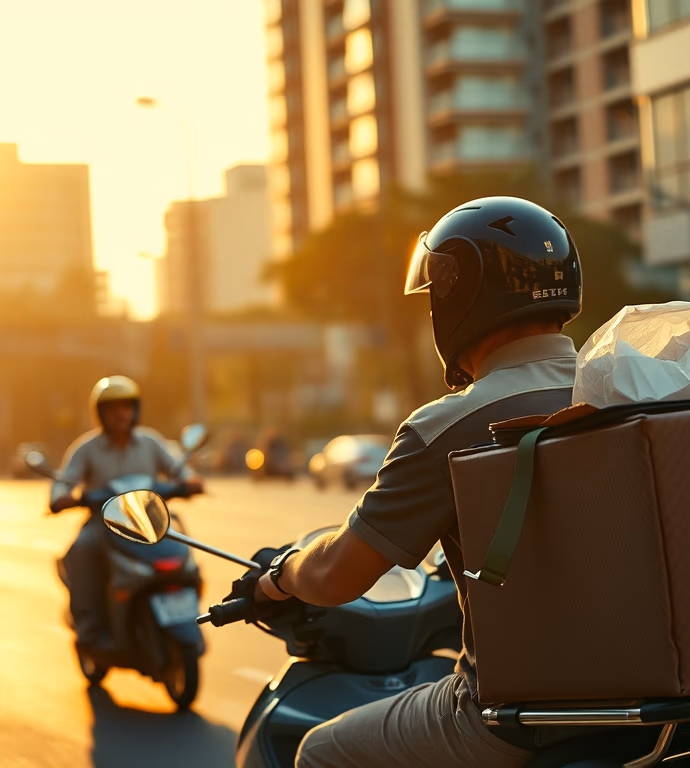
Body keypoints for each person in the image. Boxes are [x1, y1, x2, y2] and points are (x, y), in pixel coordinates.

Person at [229, 196, 582, 767]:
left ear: (458, 299)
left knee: (320, 752)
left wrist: (279, 577)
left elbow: (337, 574)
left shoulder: (447, 426)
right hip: (664, 707)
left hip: (513, 719)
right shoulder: (625, 390)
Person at [51, 375, 203, 657]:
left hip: (150, 520)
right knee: (80, 550)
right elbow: (64, 482)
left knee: (184, 552)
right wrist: (62, 497)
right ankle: (89, 629)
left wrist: (190, 481)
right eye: (112, 408)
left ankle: (187, 612)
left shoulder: (150, 442)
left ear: (135, 409)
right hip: (104, 523)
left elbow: (179, 469)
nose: (120, 413)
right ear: (100, 413)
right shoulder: (86, 448)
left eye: (125, 406)